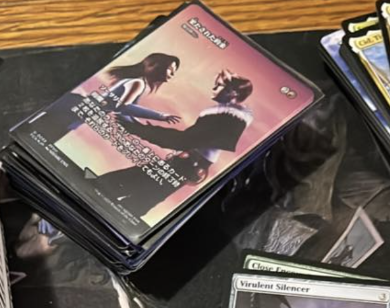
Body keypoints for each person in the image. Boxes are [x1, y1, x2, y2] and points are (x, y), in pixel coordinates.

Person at [96, 70, 256, 219]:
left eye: (219, 85)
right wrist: (139, 128)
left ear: (233, 92)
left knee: (122, 191)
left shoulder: (228, 117)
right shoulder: (226, 115)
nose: (214, 88)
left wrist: (139, 130)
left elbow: (183, 140)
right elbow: (187, 140)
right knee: (133, 197)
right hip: (186, 164)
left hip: (187, 165)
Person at [32, 53, 183, 147]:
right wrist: (160, 116)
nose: (172, 75)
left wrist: (137, 126)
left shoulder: (137, 81)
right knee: (39, 137)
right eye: (170, 69)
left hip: (78, 110)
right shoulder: (138, 83)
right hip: (75, 112)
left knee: (37, 135)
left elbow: (122, 110)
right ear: (155, 66)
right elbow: (124, 107)